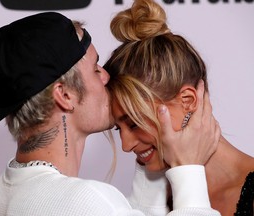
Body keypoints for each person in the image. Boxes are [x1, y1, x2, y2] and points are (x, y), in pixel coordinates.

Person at [0, 11, 221, 216]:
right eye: (95, 69)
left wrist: (150, 160)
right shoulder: (86, 201)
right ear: (65, 95)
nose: (106, 76)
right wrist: (189, 168)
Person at [104, 0, 254, 215]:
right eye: (118, 128)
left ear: (188, 101)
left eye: (135, 123)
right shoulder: (153, 198)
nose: (126, 146)